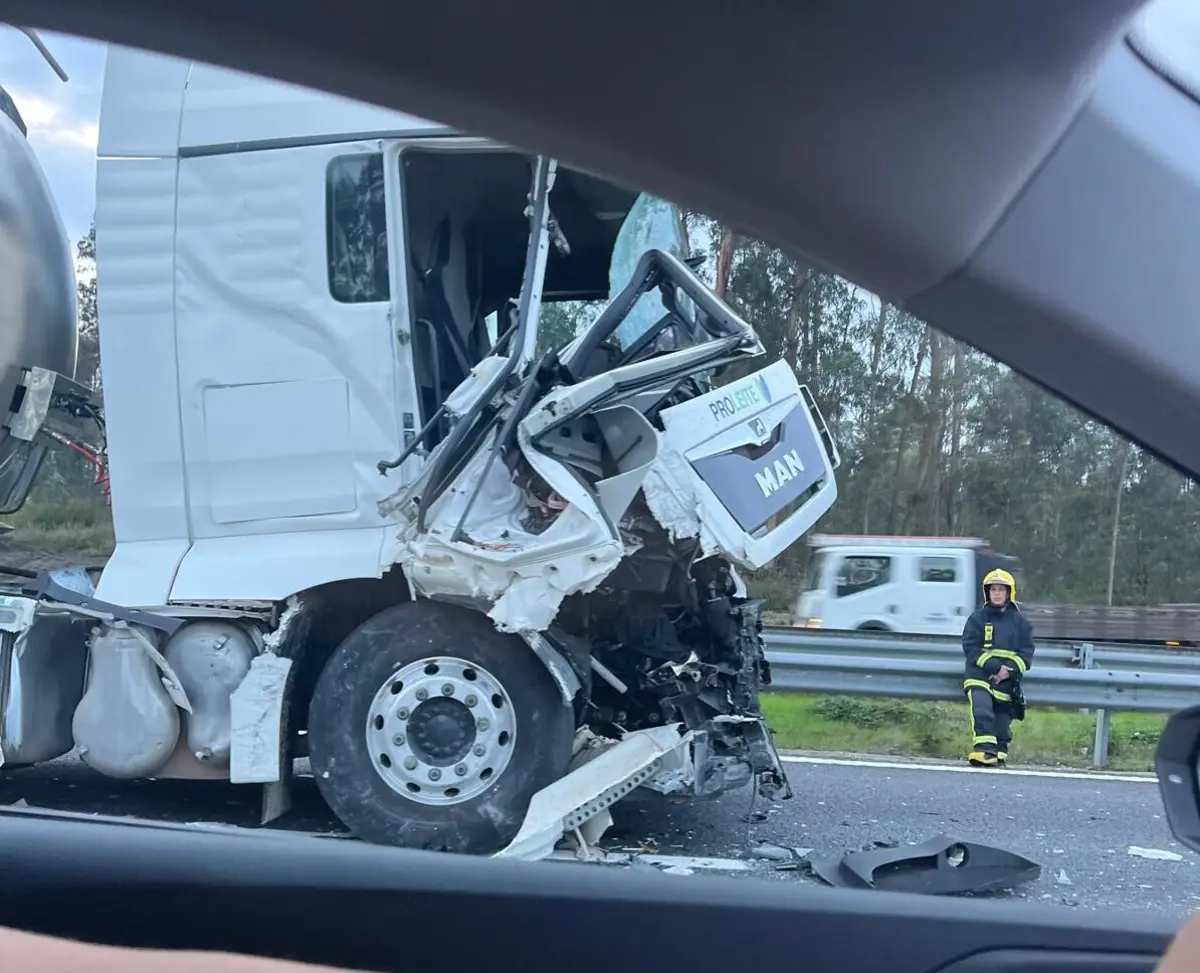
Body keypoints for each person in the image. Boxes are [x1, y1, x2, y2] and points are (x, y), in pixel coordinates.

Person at [960, 568, 1034, 767]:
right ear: (987, 593)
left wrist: (1008, 670)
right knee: (982, 710)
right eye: (993, 589)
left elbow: (1026, 654)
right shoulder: (977, 619)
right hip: (979, 675)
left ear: (1009, 593)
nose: (997, 593)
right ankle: (985, 751)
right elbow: (971, 648)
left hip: (1007, 680)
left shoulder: (1021, 623)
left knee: (1002, 719)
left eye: (1001, 589)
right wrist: (995, 668)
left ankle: (999, 752)